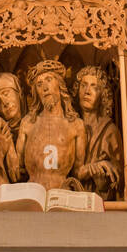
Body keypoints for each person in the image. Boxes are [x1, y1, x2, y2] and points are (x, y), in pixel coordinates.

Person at [17, 59, 86, 191]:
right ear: (36, 92)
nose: (44, 87)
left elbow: (78, 172)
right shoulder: (27, 124)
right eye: (39, 84)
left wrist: (95, 168)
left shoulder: (76, 125)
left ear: (59, 84)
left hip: (61, 195)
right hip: (33, 195)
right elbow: (17, 171)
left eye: (49, 80)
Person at [74, 65, 122, 199]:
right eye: (83, 85)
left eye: (94, 87)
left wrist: (104, 178)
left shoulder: (110, 131)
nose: (87, 91)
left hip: (100, 200)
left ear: (103, 95)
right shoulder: (69, 125)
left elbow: (120, 176)